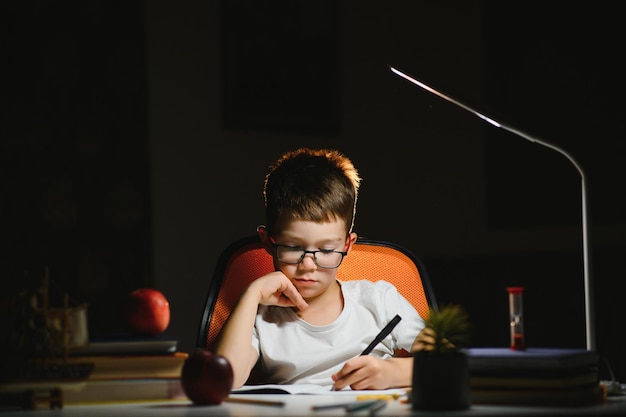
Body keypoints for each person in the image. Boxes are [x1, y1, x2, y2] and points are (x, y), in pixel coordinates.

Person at [214, 147, 426, 391]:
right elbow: (223, 380)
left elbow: (454, 365)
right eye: (293, 247)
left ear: (347, 245)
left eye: (326, 250)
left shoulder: (380, 301)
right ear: (267, 242)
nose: (307, 266)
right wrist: (251, 295)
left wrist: (396, 373)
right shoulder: (261, 317)